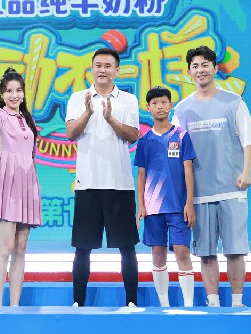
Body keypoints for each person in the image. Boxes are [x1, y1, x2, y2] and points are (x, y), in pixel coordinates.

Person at [172, 45, 251, 307]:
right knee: (206, 253)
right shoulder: (182, 109)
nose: (200, 70)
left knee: (235, 250)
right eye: (195, 66)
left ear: (215, 68)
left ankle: (237, 302)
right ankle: (213, 302)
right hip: (199, 194)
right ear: (189, 72)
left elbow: (249, 140)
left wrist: (246, 172)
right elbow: (176, 152)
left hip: (232, 189)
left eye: (205, 65)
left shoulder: (233, 102)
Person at [65, 48, 140, 307]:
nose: (102, 70)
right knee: (82, 248)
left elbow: (133, 135)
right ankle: (78, 302)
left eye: (108, 66)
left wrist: (110, 119)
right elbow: (71, 134)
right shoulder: (78, 98)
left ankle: (131, 302)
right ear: (91, 69)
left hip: (120, 184)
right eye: (98, 65)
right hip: (87, 184)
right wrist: (88, 113)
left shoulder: (128, 100)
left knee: (127, 246)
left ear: (117, 70)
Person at [0, 68, 42, 306]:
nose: (14, 95)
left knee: (21, 249)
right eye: (9, 91)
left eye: (18, 90)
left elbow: (31, 156)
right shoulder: (0, 114)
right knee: (5, 249)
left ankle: (15, 305)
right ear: (2, 95)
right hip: (7, 183)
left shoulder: (28, 120)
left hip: (26, 184)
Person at [135, 86, 196, 307]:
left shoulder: (182, 136)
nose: (159, 106)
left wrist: (189, 203)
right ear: (148, 108)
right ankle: (164, 305)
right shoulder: (144, 140)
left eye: (163, 102)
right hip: (153, 209)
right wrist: (141, 205)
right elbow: (141, 174)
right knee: (158, 254)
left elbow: (188, 169)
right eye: (155, 103)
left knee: (182, 252)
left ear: (171, 105)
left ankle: (188, 305)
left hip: (179, 207)